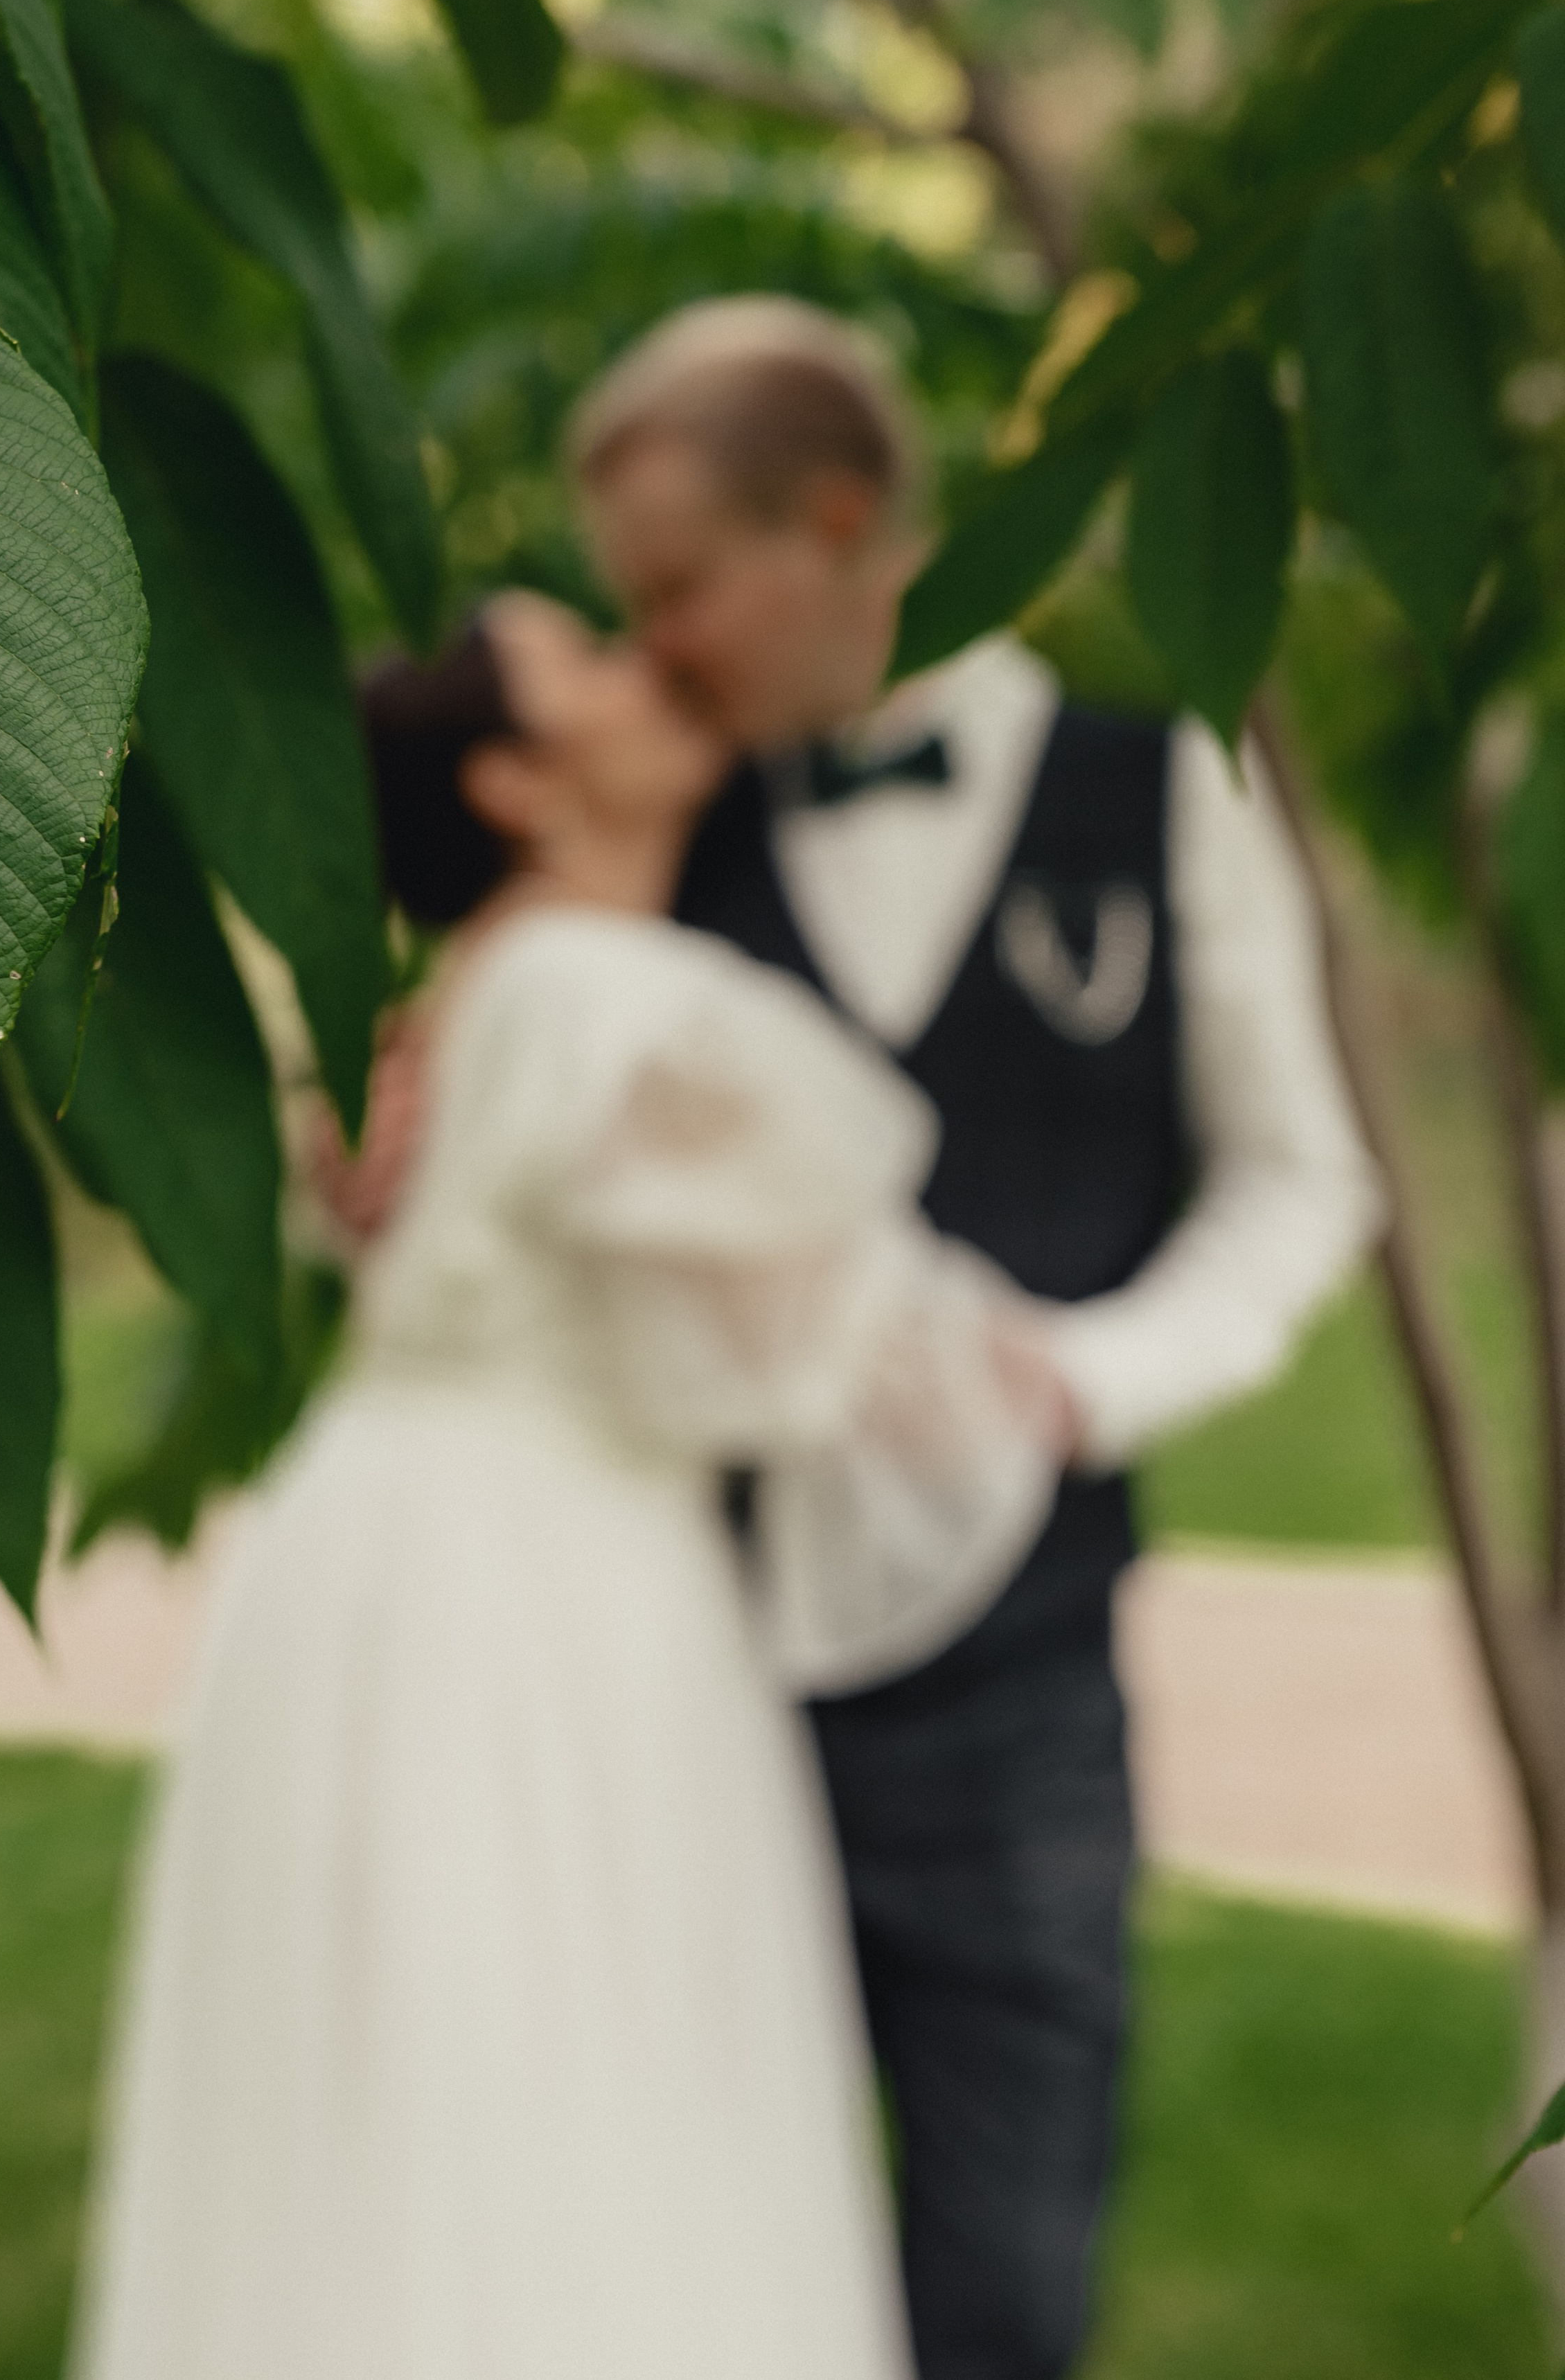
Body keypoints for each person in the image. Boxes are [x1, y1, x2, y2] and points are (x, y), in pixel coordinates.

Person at [70, 596, 1059, 2380]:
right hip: (552, 1592)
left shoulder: (457, 1010)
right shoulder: (622, 1007)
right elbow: (861, 1360)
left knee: (373, 2099)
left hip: (359, 1573)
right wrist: (1077, 1374)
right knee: (583, 2075)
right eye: (587, 659)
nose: (644, 662)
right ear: (519, 780)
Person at [558, 296, 1387, 2380]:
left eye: (680, 588)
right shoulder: (655, 834)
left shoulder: (1156, 790)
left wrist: (1092, 1376)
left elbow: (1306, 1179)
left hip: (1026, 1699)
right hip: (707, 1679)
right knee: (705, 2263)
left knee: (1004, 2292)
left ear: (839, 524)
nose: (654, 648)